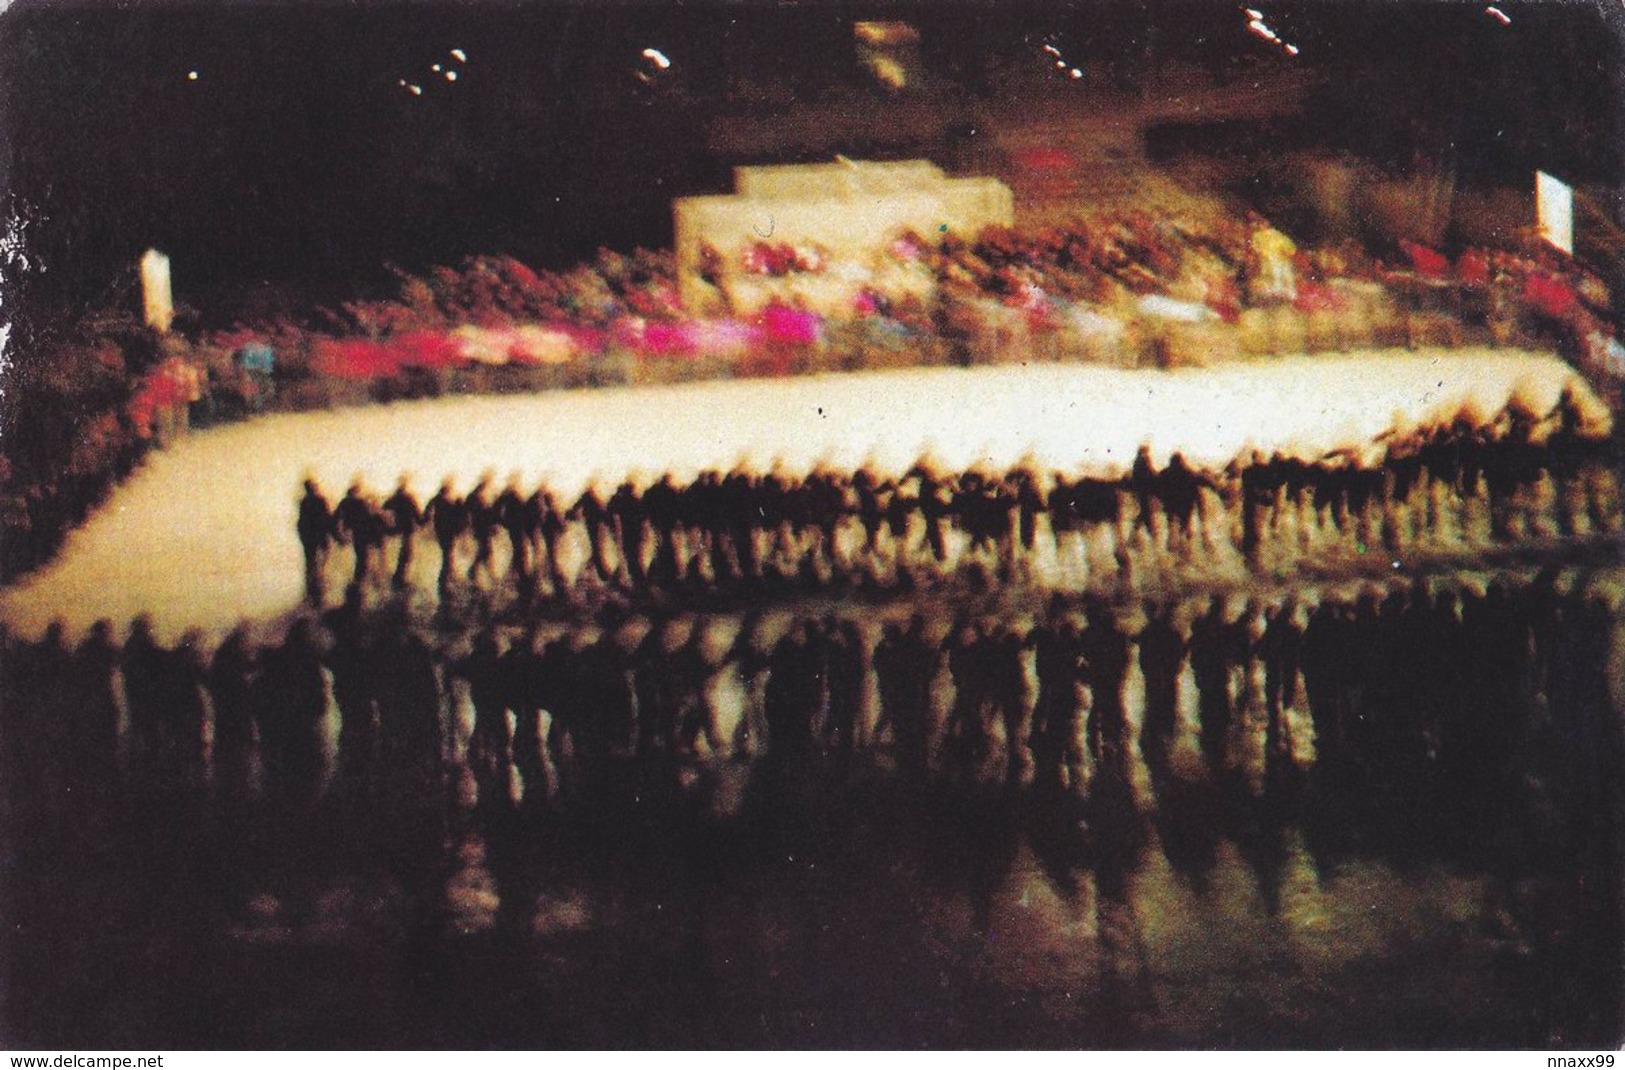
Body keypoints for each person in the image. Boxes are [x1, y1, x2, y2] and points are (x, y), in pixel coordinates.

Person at [425, 479, 468, 595]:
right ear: (447, 488)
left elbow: (426, 514)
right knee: (447, 557)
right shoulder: (445, 500)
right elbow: (456, 514)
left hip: (443, 532)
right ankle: (444, 582)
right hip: (446, 533)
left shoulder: (436, 499)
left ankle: (448, 578)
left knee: (448, 556)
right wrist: (459, 503)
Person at [297, 480, 335, 603]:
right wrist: (335, 535)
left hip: (308, 539)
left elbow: (301, 523)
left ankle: (310, 593)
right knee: (320, 565)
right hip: (320, 538)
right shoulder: (320, 501)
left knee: (310, 565)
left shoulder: (303, 502)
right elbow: (327, 519)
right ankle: (318, 594)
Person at [382, 478, 423, 590]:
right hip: (408, 529)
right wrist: (421, 522)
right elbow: (417, 513)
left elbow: (383, 509)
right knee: (407, 554)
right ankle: (399, 578)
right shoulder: (409, 498)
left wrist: (388, 523)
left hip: (398, 528)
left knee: (404, 554)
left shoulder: (393, 498)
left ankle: (398, 577)